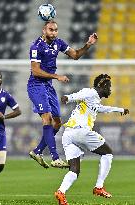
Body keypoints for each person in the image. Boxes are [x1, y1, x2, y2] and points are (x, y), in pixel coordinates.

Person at [27, 20, 98, 169]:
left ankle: (37, 151)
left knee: (57, 123)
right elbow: (35, 71)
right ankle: (55, 158)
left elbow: (76, 55)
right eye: (51, 30)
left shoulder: (58, 43)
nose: (54, 33)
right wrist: (57, 76)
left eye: (56, 30)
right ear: (44, 30)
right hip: (36, 85)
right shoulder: (36, 46)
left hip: (48, 86)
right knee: (47, 118)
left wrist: (88, 44)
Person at [54, 74, 129, 204]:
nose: (110, 89)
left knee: (74, 170)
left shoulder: (93, 100)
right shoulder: (90, 92)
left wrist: (119, 109)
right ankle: (99, 187)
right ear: (102, 85)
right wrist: (67, 98)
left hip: (68, 135)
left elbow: (101, 109)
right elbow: (75, 96)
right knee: (108, 153)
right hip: (81, 131)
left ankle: (61, 192)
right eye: (109, 86)